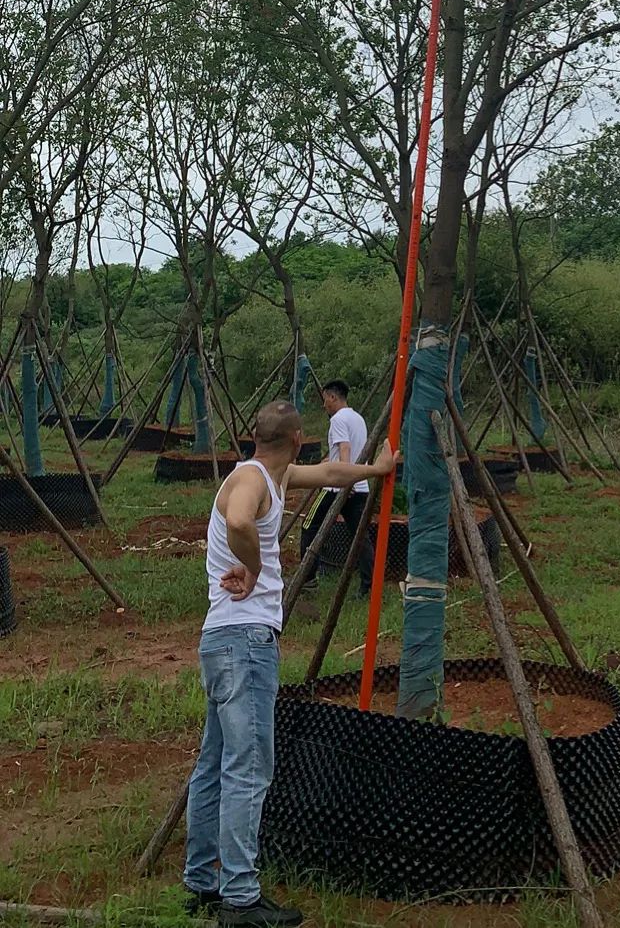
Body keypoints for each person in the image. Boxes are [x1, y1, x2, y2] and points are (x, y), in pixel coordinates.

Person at [183, 399, 398, 926]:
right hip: (245, 643)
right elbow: (238, 519)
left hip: (222, 642)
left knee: (215, 764)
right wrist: (253, 567)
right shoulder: (251, 481)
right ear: (298, 437)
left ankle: (202, 883)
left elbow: (329, 471)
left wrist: (375, 469)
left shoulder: (274, 472)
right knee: (248, 768)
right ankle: (239, 898)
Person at [299, 379, 376, 592]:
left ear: (333, 397)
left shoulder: (338, 419)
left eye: (325, 400)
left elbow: (345, 449)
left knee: (309, 527)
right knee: (360, 536)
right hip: (360, 487)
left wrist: (344, 480)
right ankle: (367, 587)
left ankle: (307, 580)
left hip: (337, 488)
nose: (324, 405)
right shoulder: (358, 418)